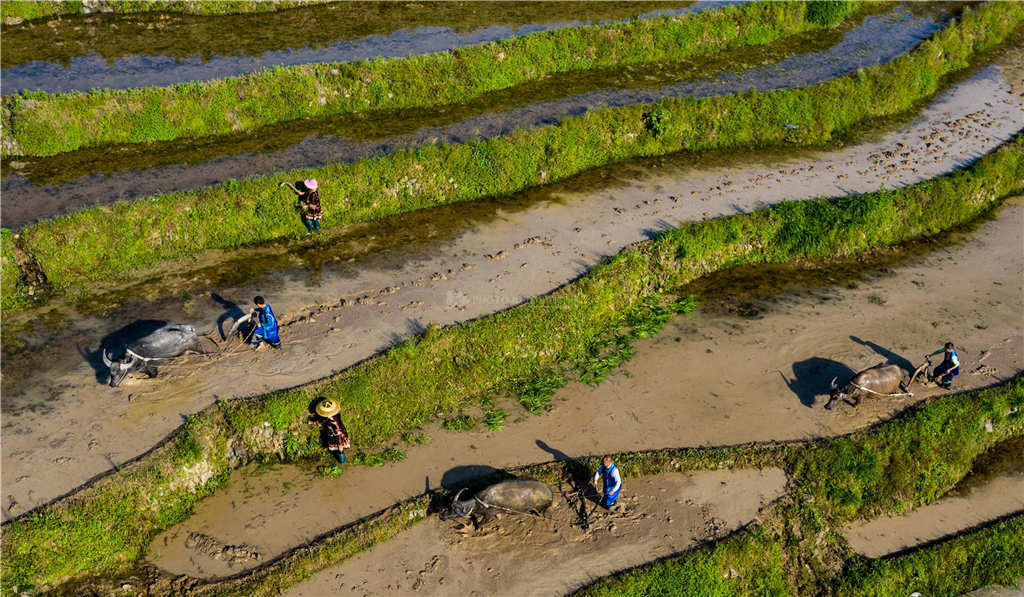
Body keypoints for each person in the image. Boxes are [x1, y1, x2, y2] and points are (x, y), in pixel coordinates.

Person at [309, 398, 350, 464]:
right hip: (342, 431)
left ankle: (341, 459)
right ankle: (342, 458)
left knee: (339, 445)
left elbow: (319, 423)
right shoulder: (337, 414)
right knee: (341, 445)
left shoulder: (326, 419)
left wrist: (311, 422)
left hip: (335, 434)